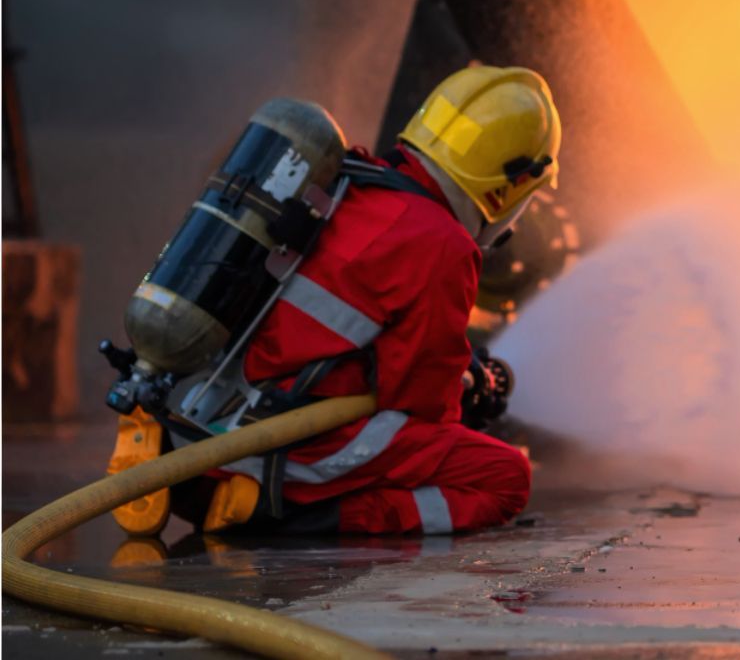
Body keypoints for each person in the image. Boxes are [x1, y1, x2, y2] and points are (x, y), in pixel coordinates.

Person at [109, 65, 560, 536]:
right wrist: (467, 390)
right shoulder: (444, 244)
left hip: (189, 411)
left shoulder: (356, 178)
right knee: (506, 477)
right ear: (509, 184)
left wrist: (459, 365)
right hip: (264, 447)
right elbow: (419, 403)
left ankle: (174, 451)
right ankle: (277, 511)